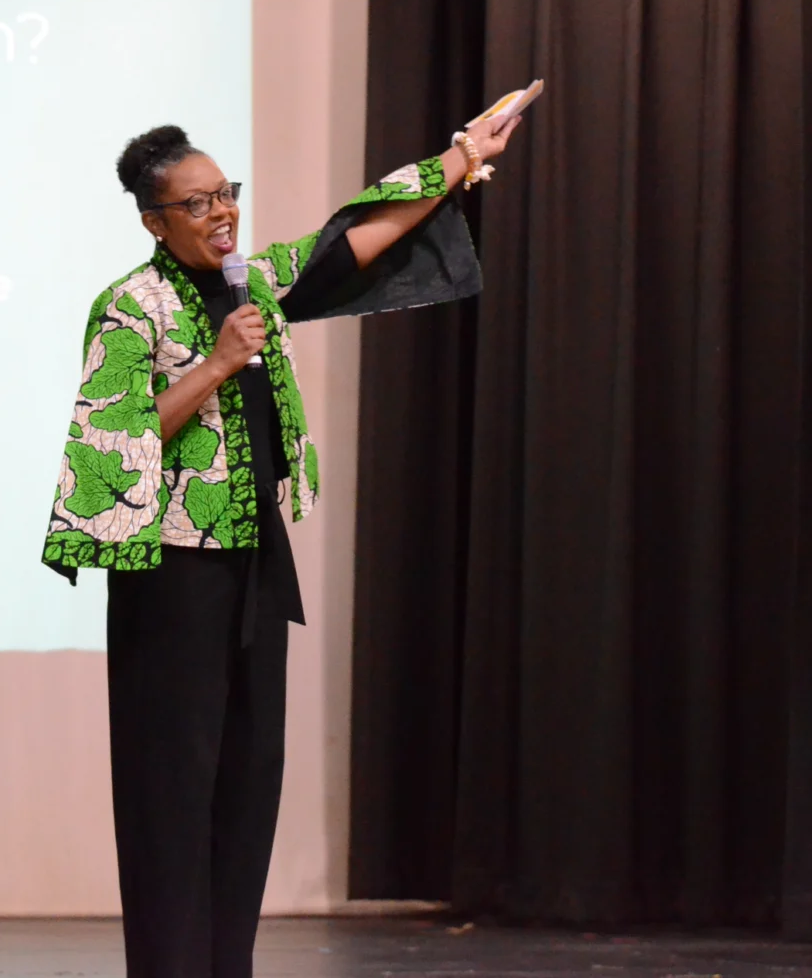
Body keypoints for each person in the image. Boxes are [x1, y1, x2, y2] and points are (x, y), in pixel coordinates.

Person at [41, 114, 521, 977]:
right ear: (154, 222)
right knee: (171, 793)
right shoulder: (129, 307)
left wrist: (461, 159)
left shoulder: (253, 283)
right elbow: (113, 444)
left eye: (226, 193)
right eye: (197, 203)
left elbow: (355, 237)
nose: (222, 212)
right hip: (171, 577)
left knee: (248, 783)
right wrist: (217, 363)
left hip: (255, 567)